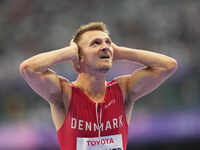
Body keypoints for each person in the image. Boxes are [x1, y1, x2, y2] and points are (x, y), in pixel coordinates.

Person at [19, 22, 178, 150]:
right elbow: (28, 68)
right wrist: (70, 52)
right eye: (95, 43)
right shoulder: (64, 94)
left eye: (108, 43)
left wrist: (121, 52)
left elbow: (168, 66)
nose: (105, 47)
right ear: (78, 57)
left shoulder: (123, 90)